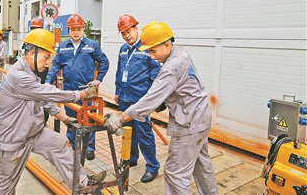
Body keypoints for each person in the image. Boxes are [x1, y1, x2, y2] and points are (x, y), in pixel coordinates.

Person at [105, 21, 219, 195]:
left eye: (153, 50)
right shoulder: (181, 53)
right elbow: (180, 87)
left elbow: (151, 99)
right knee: (202, 166)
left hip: (189, 124)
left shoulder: (170, 68)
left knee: (175, 173)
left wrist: (121, 118)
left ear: (167, 44)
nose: (151, 56)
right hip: (201, 118)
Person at [0, 29, 106, 195]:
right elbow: (49, 93)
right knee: (7, 185)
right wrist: (81, 94)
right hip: (12, 140)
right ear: (32, 53)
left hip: (33, 134)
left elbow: (43, 100)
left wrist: (65, 118)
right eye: (46, 57)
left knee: (59, 144)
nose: (48, 63)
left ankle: (82, 184)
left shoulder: (31, 73)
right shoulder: (19, 76)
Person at [45, 14, 109, 161]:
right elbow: (55, 66)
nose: (76, 32)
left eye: (79, 29)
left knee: (90, 120)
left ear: (83, 29)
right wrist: (48, 81)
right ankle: (73, 146)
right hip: (70, 92)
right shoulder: (63, 47)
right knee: (71, 120)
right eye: (73, 29)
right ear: (69, 29)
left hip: (88, 92)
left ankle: (89, 148)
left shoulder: (92, 45)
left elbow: (104, 62)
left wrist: (98, 80)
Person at [114, 14, 161, 183]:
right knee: (128, 131)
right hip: (125, 98)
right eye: (123, 33)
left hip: (141, 99)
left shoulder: (148, 48)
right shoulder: (123, 49)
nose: (127, 35)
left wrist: (152, 98)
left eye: (129, 31)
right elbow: (119, 71)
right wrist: (118, 90)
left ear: (136, 28)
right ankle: (131, 158)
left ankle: (152, 166)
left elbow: (155, 75)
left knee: (144, 133)